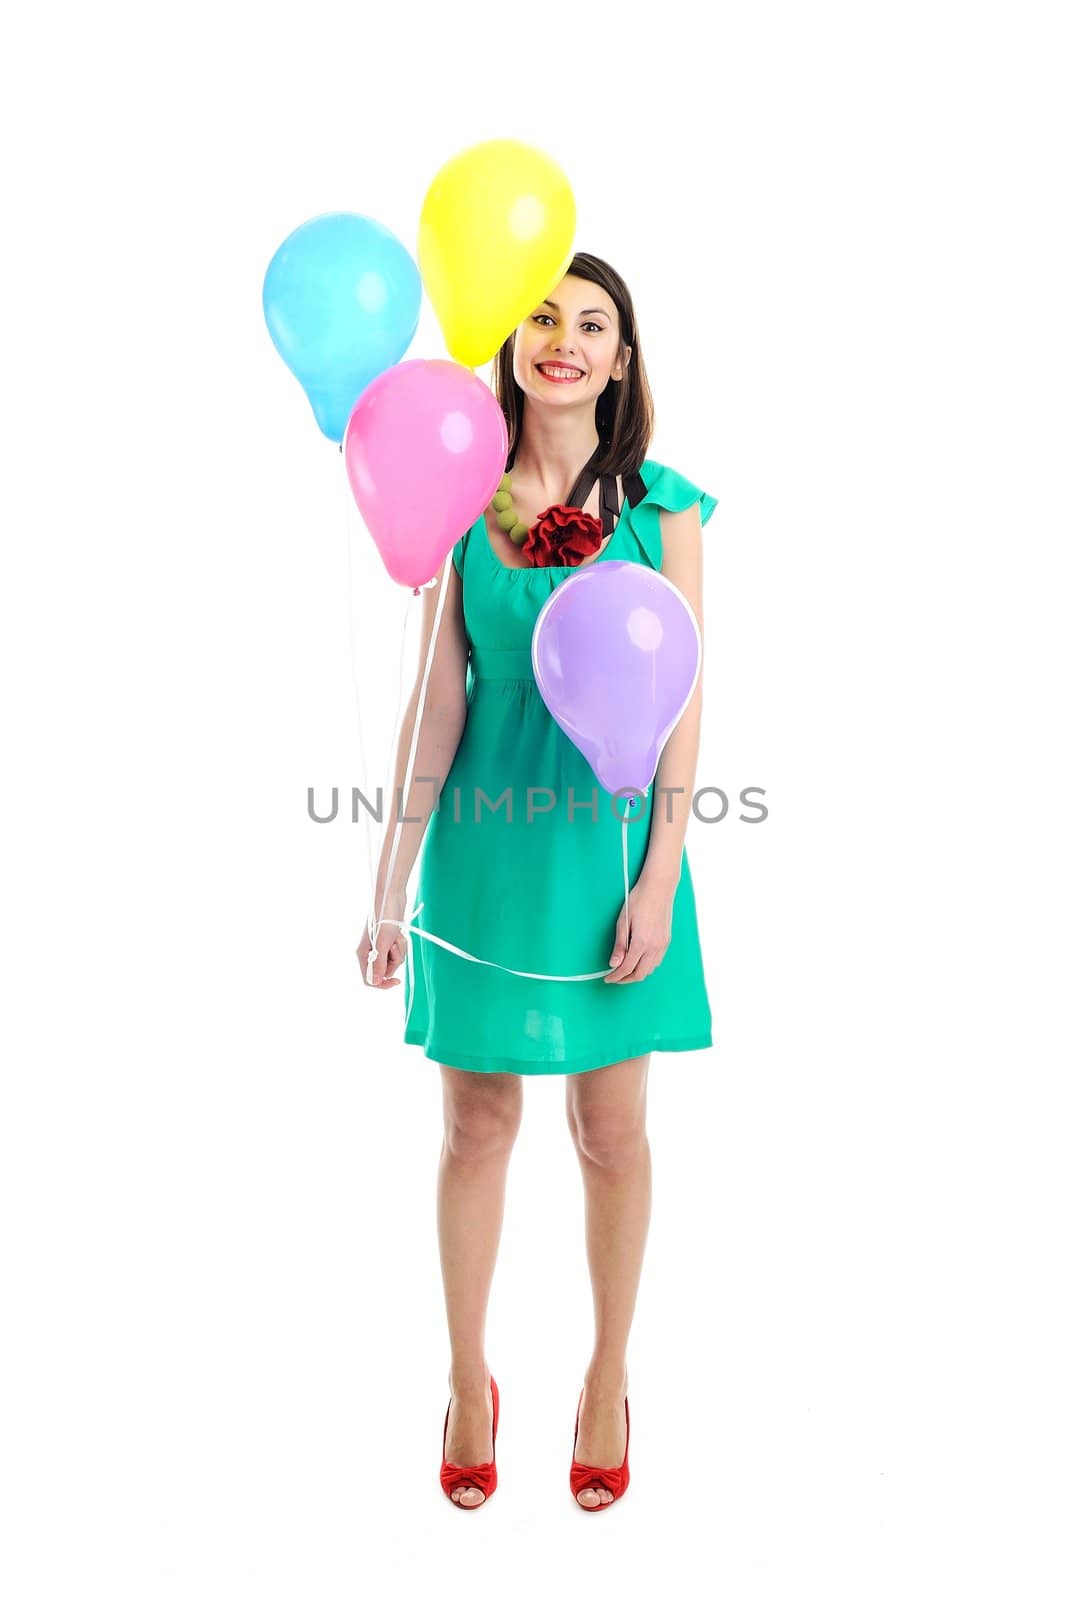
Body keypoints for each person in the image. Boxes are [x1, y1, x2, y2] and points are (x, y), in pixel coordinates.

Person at [356, 253, 718, 1510]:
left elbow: (679, 713)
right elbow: (436, 699)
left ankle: (607, 1378)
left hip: (612, 854)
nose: (560, 338)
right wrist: (385, 879)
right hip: (484, 850)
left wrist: (662, 877)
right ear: (509, 343)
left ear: (621, 361)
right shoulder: (459, 503)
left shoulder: (661, 508)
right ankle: (466, 1379)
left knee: (609, 1134)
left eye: (592, 324)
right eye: (540, 317)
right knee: (476, 1125)